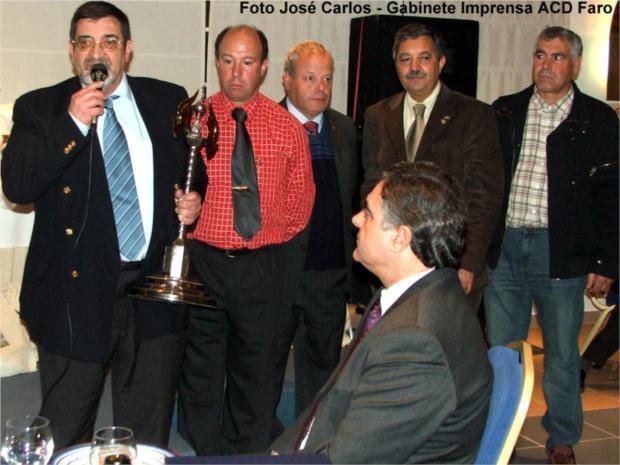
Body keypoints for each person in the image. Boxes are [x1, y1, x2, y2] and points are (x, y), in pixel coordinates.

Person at [0, 1, 203, 449]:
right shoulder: (41, 107)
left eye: (109, 41)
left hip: (153, 294)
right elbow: (17, 186)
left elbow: (192, 170)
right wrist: (72, 123)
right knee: (67, 430)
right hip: (74, 298)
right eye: (86, 42)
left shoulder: (166, 99)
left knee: (147, 435)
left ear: (127, 49)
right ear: (72, 51)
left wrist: (192, 201)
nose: (97, 52)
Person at [271, 161, 492, 463]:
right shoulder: (426, 292)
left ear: (400, 238)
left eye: (368, 214)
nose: (355, 219)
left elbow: (349, 459)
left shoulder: (416, 342)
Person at [178, 25, 315, 455]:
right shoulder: (193, 122)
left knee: (256, 373)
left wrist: (267, 243)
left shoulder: (287, 127)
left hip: (261, 267)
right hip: (203, 264)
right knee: (200, 371)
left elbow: (300, 201)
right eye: (227, 61)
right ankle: (202, 454)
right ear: (216, 63)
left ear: (265, 68)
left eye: (247, 62)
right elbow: (174, 185)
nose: (236, 73)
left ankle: (245, 457)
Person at [486, 26, 619, 464]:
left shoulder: (598, 119)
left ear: (575, 64)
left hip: (560, 250)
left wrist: (605, 260)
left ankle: (562, 438)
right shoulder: (506, 110)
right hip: (505, 248)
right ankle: (498, 432)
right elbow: (486, 180)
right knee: (503, 352)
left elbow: (612, 196)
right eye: (540, 55)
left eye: (557, 57)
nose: (546, 65)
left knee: (561, 353)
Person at [361, 23, 503, 311]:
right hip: (393, 261)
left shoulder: (474, 115)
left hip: (450, 263)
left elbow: (484, 196)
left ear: (441, 62)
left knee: (444, 337)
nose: (414, 67)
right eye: (405, 59)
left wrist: (468, 262)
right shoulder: (377, 115)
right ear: (396, 65)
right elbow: (371, 184)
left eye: (424, 58)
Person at [276, 40, 358, 416]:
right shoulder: (266, 124)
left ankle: (311, 438)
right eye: (310, 78)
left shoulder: (344, 128)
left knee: (322, 374)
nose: (321, 88)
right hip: (278, 272)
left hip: (329, 274)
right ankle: (263, 440)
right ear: (286, 79)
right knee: (266, 368)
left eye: (327, 78)